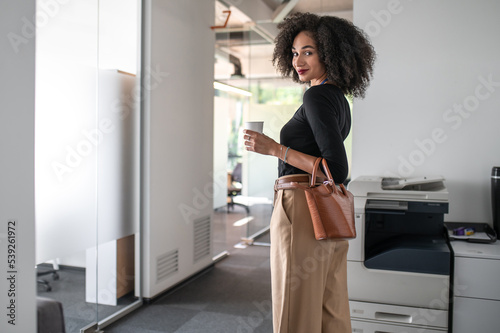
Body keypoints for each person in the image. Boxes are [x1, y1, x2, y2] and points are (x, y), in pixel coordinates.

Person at [243, 12, 375, 333]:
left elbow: (336, 169)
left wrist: (275, 149)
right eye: (294, 52)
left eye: (308, 52)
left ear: (329, 53)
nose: (298, 60)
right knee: (331, 309)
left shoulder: (316, 96)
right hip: (326, 211)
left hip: (302, 207)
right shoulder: (337, 99)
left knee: (294, 307)